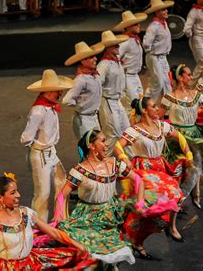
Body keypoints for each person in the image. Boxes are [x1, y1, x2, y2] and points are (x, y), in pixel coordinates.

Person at [53, 130, 144, 267]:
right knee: (91, 254)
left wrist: (140, 202)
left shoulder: (114, 164)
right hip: (88, 216)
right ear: (91, 146)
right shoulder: (80, 171)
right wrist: (58, 215)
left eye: (106, 140)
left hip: (110, 215)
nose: (106, 144)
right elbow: (62, 195)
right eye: (102, 141)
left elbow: (137, 179)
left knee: (114, 254)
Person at [114, 97, 189, 257]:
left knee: (177, 196)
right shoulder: (134, 131)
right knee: (146, 208)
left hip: (160, 167)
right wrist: (124, 158)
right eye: (153, 106)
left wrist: (187, 152)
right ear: (144, 110)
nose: (157, 109)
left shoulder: (161, 126)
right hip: (143, 169)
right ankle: (137, 241)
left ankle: (172, 226)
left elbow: (179, 136)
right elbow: (117, 145)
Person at [0, 174, 92, 270]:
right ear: (0, 197)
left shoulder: (26, 213)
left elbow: (53, 232)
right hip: (5, 268)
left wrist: (77, 245)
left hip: (29, 263)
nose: (18, 195)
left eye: (17, 191)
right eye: (13, 193)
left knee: (72, 257)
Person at [160, 64, 203, 208]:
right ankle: (177, 200)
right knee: (177, 170)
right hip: (176, 139)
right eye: (188, 74)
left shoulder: (196, 95)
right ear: (180, 78)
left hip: (193, 136)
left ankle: (194, 196)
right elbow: (159, 119)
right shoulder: (169, 97)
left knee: (196, 165)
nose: (191, 77)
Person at [20, 69, 74, 222]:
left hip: (51, 152)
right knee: (43, 193)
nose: (60, 93)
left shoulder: (50, 107)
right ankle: (39, 225)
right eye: (58, 91)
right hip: (41, 154)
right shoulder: (38, 111)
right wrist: (38, 147)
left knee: (62, 183)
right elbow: (25, 138)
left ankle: (61, 219)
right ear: (49, 92)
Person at [96, 30, 130, 155]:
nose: (118, 46)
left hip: (117, 101)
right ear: (108, 48)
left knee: (126, 132)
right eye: (115, 45)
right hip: (108, 101)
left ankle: (126, 161)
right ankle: (104, 161)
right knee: (113, 134)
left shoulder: (116, 61)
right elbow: (97, 84)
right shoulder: (104, 65)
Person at [63, 41, 105, 139]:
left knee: (98, 146)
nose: (95, 59)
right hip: (84, 119)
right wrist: (79, 105)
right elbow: (67, 100)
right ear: (82, 61)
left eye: (94, 56)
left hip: (94, 117)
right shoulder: (80, 80)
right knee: (88, 149)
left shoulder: (95, 75)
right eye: (91, 57)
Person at [114, 10, 148, 111]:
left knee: (140, 101)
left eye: (138, 23)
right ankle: (128, 125)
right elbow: (116, 57)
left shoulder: (135, 39)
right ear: (128, 27)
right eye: (134, 24)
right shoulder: (125, 42)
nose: (138, 25)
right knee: (131, 104)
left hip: (135, 76)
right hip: (127, 76)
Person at [143, 0, 175, 102]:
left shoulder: (164, 23)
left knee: (167, 82)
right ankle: (148, 105)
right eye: (163, 9)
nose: (166, 11)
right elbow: (146, 44)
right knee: (158, 83)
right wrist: (153, 53)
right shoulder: (153, 27)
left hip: (163, 57)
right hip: (154, 57)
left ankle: (167, 107)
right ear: (157, 12)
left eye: (166, 9)